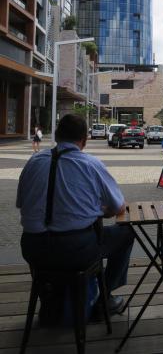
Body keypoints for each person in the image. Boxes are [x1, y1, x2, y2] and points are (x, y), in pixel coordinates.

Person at [16, 114, 134, 323]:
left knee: (53, 250)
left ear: (56, 136)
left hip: (33, 249)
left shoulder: (33, 162)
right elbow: (118, 208)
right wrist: (97, 210)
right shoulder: (90, 164)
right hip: (75, 250)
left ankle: (50, 302)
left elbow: (21, 203)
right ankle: (104, 298)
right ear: (84, 140)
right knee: (126, 233)